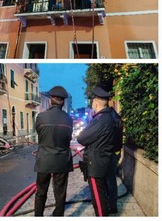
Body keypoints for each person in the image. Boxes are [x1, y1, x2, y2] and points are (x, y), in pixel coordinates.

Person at [77, 85, 123, 216]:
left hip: (96, 165)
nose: (92, 104)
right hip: (105, 159)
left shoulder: (100, 120)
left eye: (93, 101)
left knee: (98, 198)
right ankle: (111, 207)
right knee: (105, 190)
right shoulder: (110, 116)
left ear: (96, 102)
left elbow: (81, 138)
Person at [34, 86, 73, 216]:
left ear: (51, 100)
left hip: (44, 160)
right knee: (60, 192)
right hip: (62, 160)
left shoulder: (41, 117)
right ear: (63, 101)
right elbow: (69, 137)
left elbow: (39, 133)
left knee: (40, 192)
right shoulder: (68, 119)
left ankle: (38, 216)